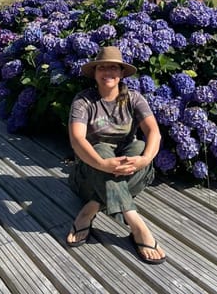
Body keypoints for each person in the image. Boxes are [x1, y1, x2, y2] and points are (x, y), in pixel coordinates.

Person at [66, 45, 166, 264]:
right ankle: (136, 224)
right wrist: (103, 164)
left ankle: (92, 206)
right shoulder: (84, 101)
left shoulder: (133, 98)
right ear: (95, 73)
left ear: (121, 73)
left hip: (125, 167)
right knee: (99, 148)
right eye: (102, 67)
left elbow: (153, 132)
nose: (108, 72)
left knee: (140, 146)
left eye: (114, 68)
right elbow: (77, 140)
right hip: (88, 173)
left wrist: (144, 159)